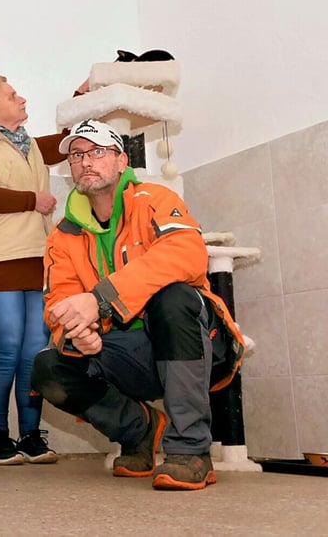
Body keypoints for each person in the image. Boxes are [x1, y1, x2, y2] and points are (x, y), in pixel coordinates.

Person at [30, 119, 244, 491]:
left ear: (121, 160)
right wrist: (75, 335)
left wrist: (100, 300)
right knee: (47, 367)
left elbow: (187, 255)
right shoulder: (62, 235)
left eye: (97, 151)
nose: (85, 161)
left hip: (197, 343)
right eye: (77, 154)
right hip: (129, 356)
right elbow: (59, 303)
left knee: (173, 297)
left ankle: (191, 450)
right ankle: (140, 429)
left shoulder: (155, 199)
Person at [0, 76, 67, 465]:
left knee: (32, 354)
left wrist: (85, 99)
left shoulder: (32, 147)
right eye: (12, 95)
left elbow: (71, 140)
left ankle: (31, 437)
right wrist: (31, 200)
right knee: (4, 351)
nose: (22, 98)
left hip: (37, 260)